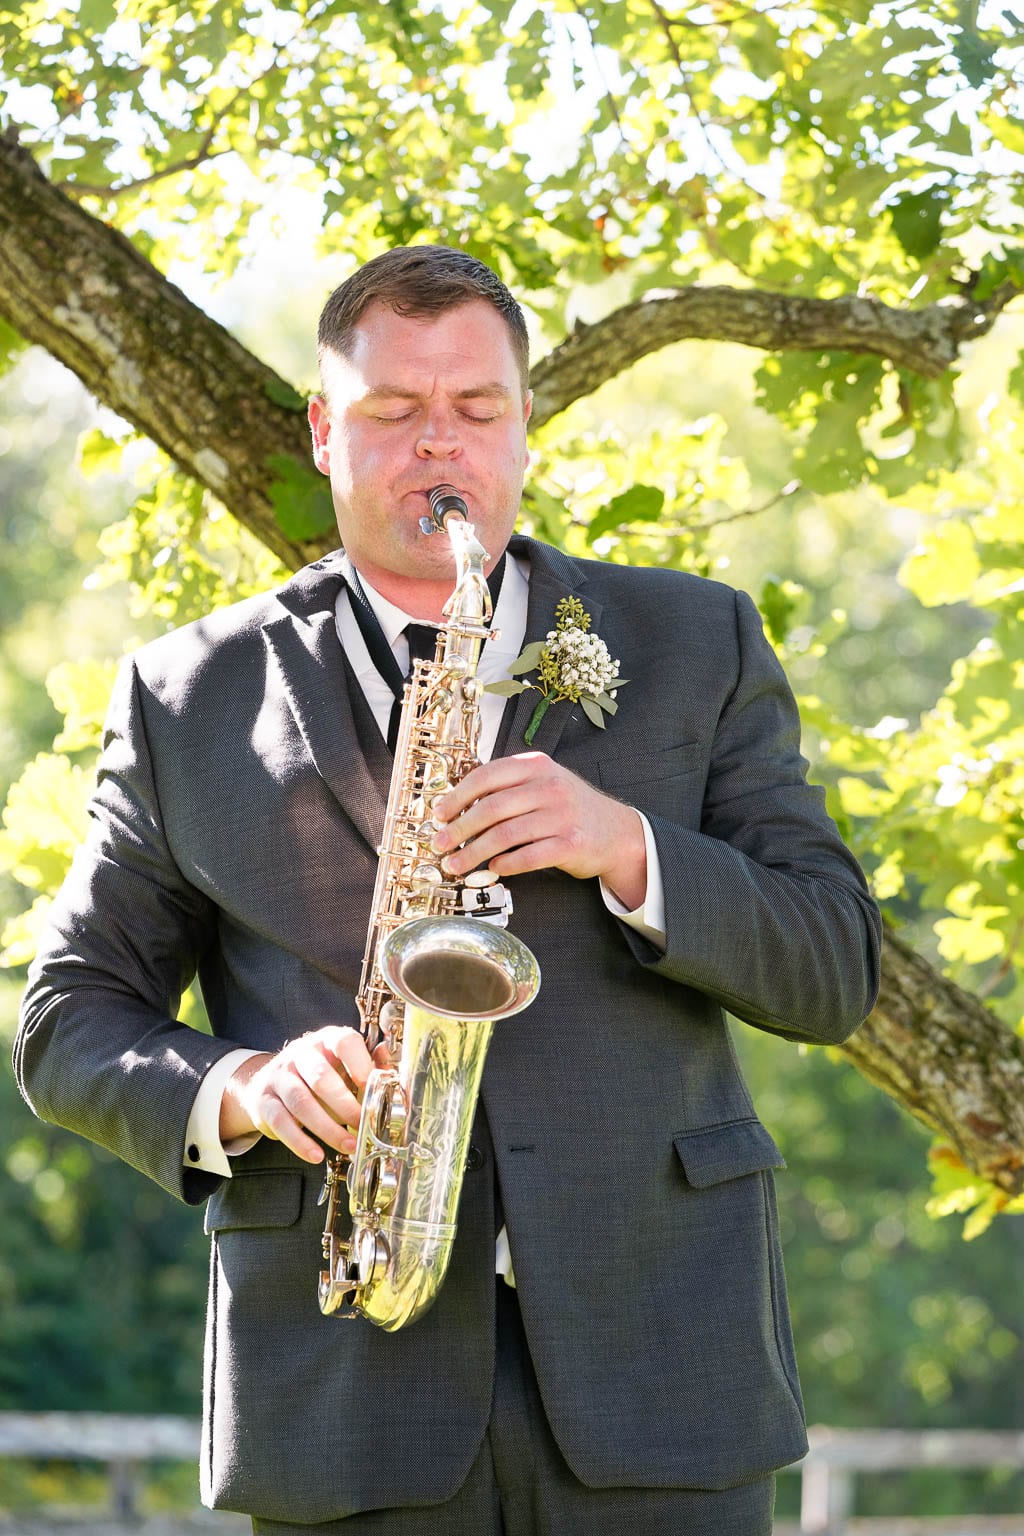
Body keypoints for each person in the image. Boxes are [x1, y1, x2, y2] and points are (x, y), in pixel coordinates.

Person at [16, 245, 882, 1536]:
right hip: (345, 1391)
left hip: (666, 1371)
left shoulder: (696, 640)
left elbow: (834, 960)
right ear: (324, 430)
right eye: (393, 412)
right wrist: (239, 1091)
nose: (440, 447)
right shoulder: (187, 697)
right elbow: (66, 1022)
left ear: (526, 420)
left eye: (476, 409)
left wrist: (630, 847)